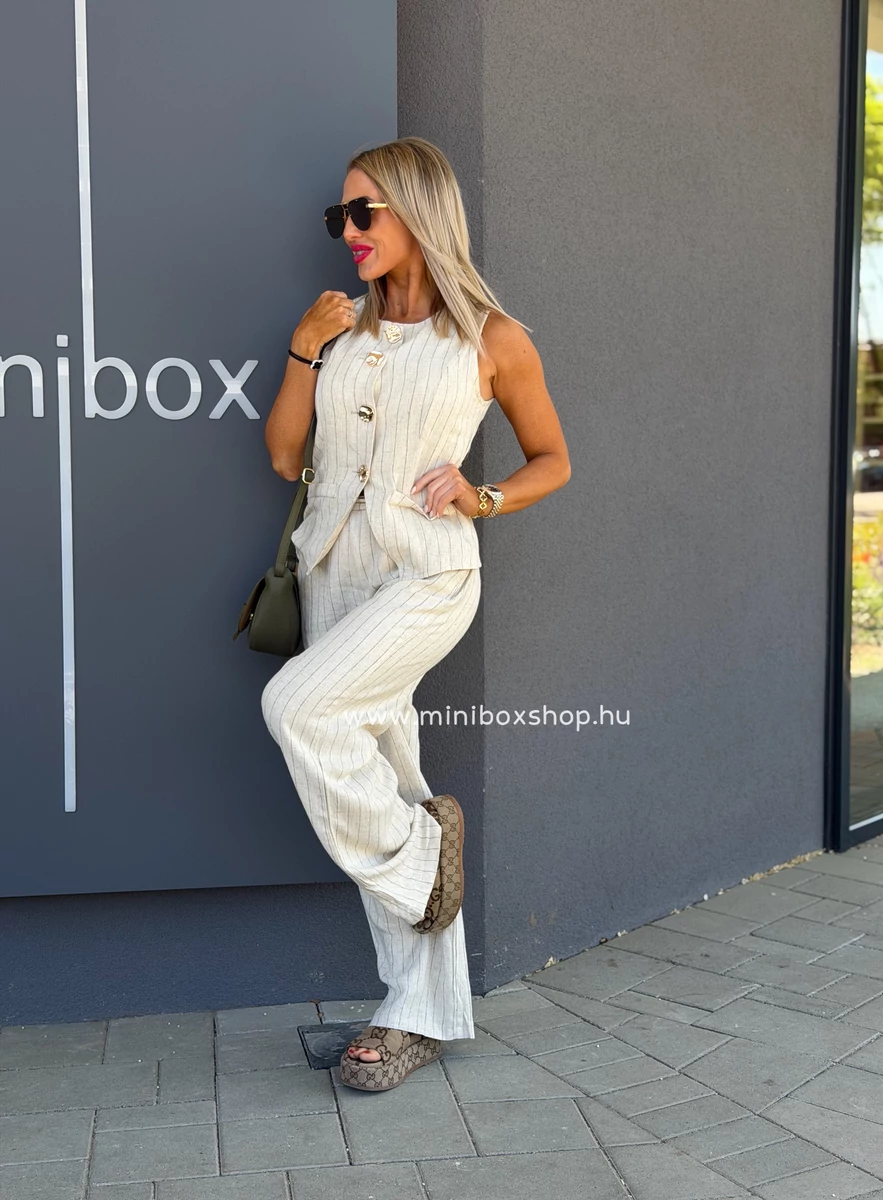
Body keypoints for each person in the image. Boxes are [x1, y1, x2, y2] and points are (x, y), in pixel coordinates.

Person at [260, 136, 570, 1091]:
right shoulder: (336, 330)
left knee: (295, 707)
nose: (348, 231)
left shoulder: (493, 338)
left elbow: (553, 460)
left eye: (365, 212)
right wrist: (304, 349)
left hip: (428, 574)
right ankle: (419, 1014)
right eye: (339, 217)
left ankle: (420, 859)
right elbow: (284, 456)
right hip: (333, 571)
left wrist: (483, 497)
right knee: (390, 775)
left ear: (418, 211)